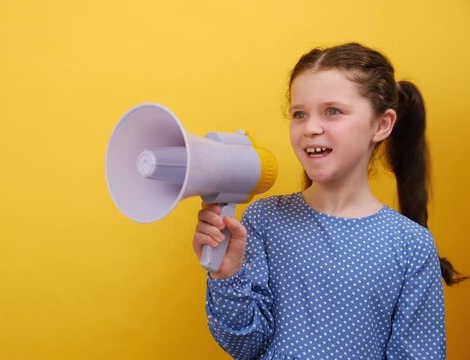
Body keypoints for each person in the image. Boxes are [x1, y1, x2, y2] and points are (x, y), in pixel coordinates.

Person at [192, 43, 467, 360]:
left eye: (332, 111)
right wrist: (228, 274)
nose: (310, 128)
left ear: (382, 124)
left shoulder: (410, 245)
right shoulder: (264, 220)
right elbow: (245, 345)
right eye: (299, 114)